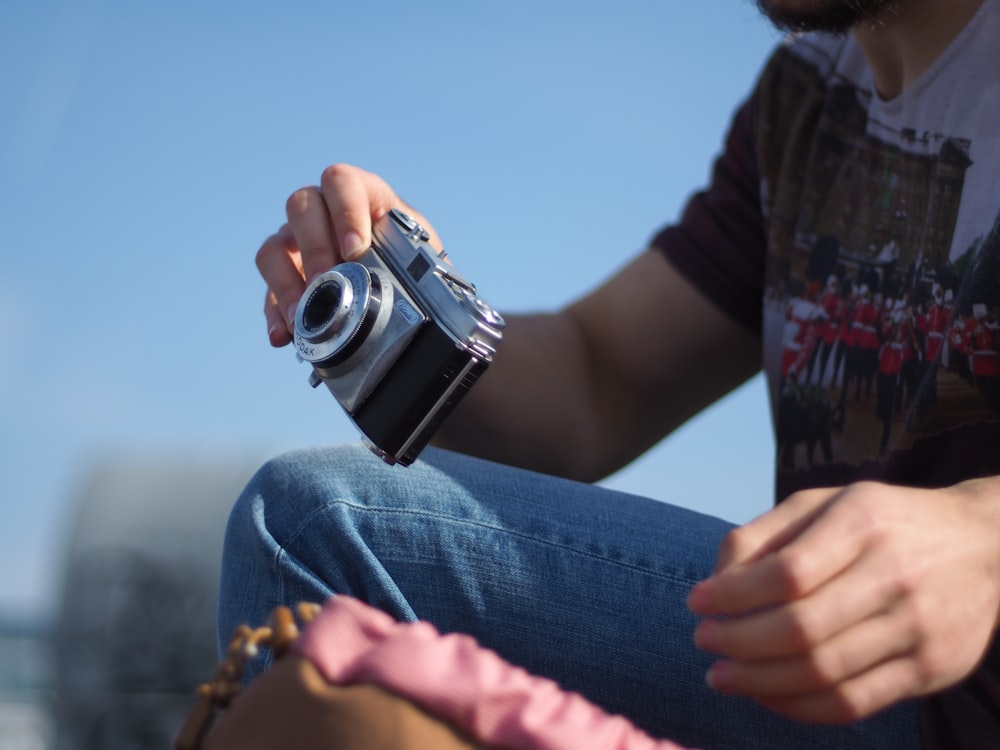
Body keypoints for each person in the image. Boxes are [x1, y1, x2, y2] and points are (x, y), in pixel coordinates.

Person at [219, 1, 1000, 748]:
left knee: (317, 526)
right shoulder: (803, 103)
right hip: (818, 663)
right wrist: (415, 313)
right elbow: (599, 377)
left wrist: (983, 538)